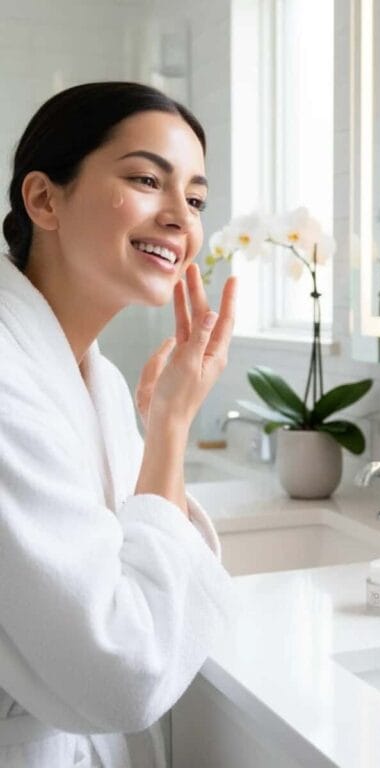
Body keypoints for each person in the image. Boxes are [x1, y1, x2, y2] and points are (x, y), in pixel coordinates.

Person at [0, 81, 238, 767]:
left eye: (194, 200)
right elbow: (125, 668)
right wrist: (170, 428)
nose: (179, 218)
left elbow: (136, 574)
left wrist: (163, 419)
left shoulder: (91, 377)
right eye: (146, 180)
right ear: (44, 198)